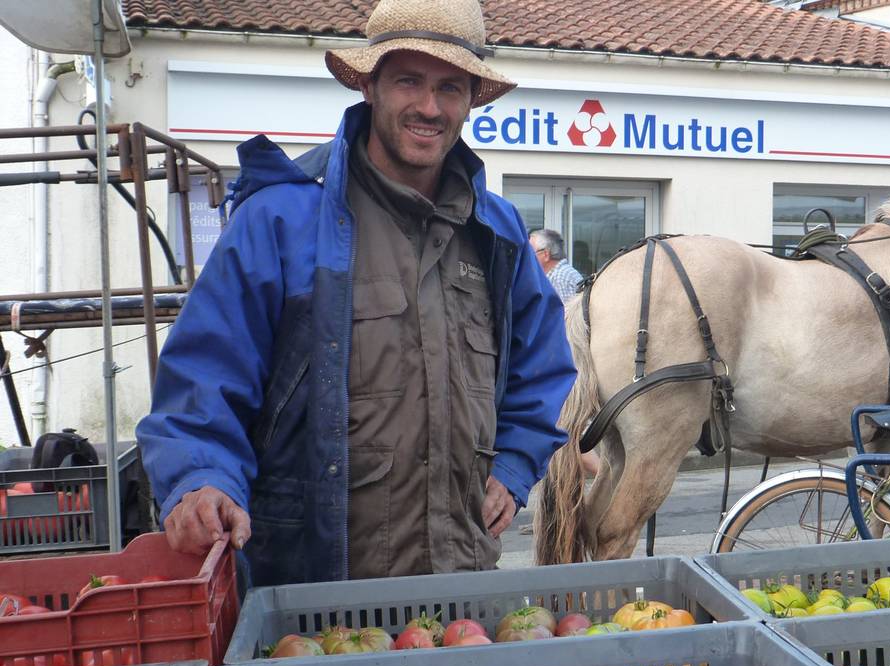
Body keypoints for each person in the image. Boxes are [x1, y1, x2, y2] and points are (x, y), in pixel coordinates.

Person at [136, 0, 576, 586]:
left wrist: (517, 463)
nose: (429, 106)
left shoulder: (496, 233)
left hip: (460, 578)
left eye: (450, 87)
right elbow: (205, 379)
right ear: (369, 85)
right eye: (408, 81)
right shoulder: (282, 220)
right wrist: (202, 478)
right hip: (312, 588)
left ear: (472, 99)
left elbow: (540, 366)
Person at [529, 228, 584, 301]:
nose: (528, 258)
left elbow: (564, 312)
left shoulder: (559, 279)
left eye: (530, 253)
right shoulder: (560, 274)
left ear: (546, 255)